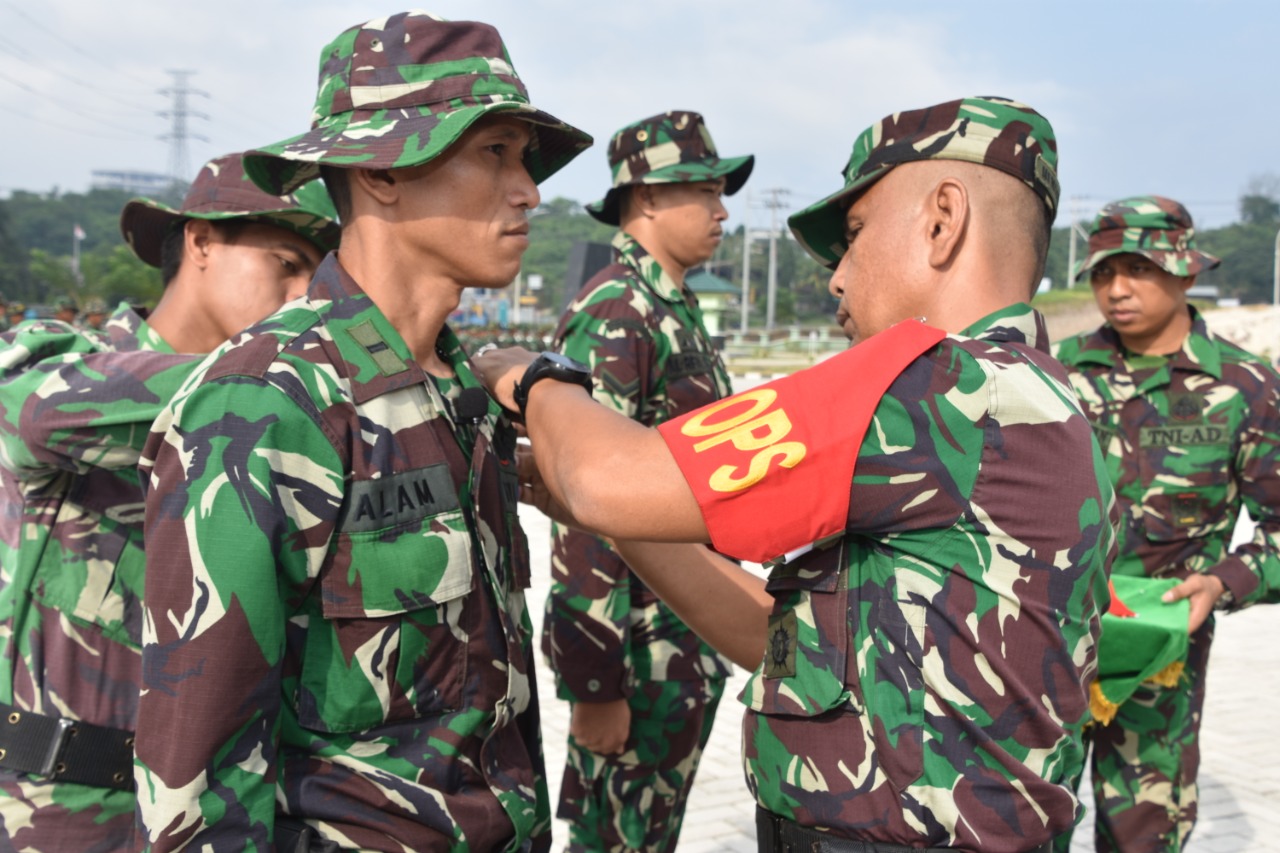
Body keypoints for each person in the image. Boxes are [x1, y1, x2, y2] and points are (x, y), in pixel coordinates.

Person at [474, 96, 1115, 853]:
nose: (837, 279)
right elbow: (787, 639)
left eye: (852, 238)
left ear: (943, 219)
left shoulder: (926, 386)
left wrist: (536, 379)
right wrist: (621, 518)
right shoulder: (1034, 394)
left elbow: (603, 474)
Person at [133, 12, 591, 852]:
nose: (529, 189)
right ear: (382, 169)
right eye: (495, 153)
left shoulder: (463, 396)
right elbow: (195, 776)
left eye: (525, 160)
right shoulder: (265, 403)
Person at [0, 153, 338, 852]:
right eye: (286, 263)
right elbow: (36, 416)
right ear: (202, 241)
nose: (305, 295)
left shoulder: (290, 425)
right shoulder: (62, 365)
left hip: (218, 816)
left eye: (318, 276)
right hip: (56, 810)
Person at [544, 109, 751, 852]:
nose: (723, 209)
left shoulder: (673, 310)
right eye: (704, 190)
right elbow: (582, 502)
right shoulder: (615, 312)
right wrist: (594, 680)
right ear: (649, 199)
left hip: (683, 641)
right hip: (635, 651)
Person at [1054, 196, 1280, 853]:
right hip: (1047, 643)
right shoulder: (1052, 372)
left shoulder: (1247, 387)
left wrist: (1224, 581)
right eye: (1102, 272)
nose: (1116, 290)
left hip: (1161, 663)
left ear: (1184, 273)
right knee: (1025, 825)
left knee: (1142, 837)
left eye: (1138, 270)